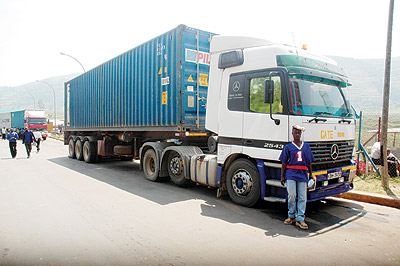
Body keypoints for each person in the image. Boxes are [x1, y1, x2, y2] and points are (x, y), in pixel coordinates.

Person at [279, 125, 315, 230]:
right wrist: (282, 176)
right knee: (292, 195)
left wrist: (311, 175)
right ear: (292, 133)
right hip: (291, 173)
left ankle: (300, 218)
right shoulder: (288, 147)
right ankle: (291, 216)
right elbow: (284, 162)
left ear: (301, 134)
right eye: (295, 132)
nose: (297, 134)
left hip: (303, 174)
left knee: (303, 197)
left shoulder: (306, 147)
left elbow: (309, 162)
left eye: (299, 133)